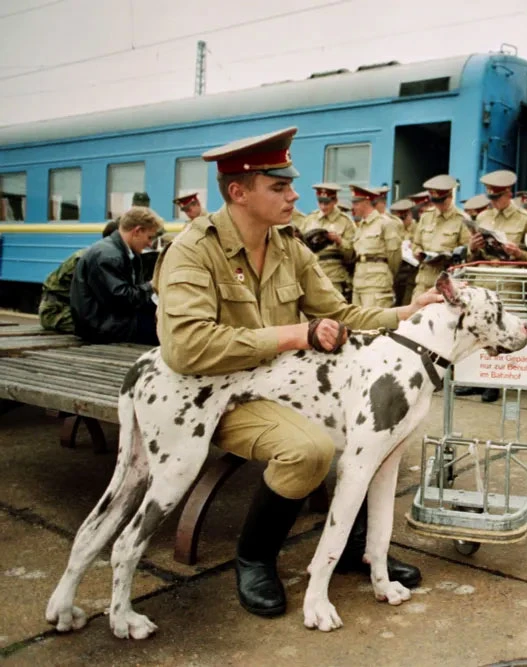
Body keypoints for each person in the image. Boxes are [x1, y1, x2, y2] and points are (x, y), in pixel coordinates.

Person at [153, 126, 440, 619]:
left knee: (373, 429)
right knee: (308, 451)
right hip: (215, 393)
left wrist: (406, 313)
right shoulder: (193, 250)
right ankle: (255, 557)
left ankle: (354, 548)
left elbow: (340, 312)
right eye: (279, 186)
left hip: (282, 387)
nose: (294, 196)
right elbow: (186, 347)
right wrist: (294, 335)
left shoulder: (288, 246)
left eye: (291, 185)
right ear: (239, 192)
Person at [465, 169, 527, 403]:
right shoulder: (484, 217)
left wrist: (518, 253)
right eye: (491, 198)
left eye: (497, 197)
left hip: (509, 281)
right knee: (481, 329)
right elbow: (472, 256)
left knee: (505, 330)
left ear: (508, 194)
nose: (494, 202)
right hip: (485, 280)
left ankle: (501, 382)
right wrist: (473, 248)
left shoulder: (526, 219)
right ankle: (482, 380)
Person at [69, 207, 162, 345]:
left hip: (110, 321)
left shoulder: (123, 252)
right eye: (149, 237)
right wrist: (153, 285)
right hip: (101, 326)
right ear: (137, 231)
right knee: (167, 333)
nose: (150, 243)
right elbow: (121, 299)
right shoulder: (107, 256)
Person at [39, 220, 119, 333]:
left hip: (72, 309)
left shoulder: (104, 255)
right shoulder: (91, 258)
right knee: (110, 328)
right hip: (57, 311)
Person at [411, 175, 470, 300]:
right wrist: (417, 252)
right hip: (423, 281)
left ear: (450, 196)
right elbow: (416, 243)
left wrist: (450, 257)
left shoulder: (461, 219)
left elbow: (468, 252)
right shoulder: (426, 217)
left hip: (446, 283)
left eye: (441, 201)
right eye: (435, 201)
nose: (438, 205)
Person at [301, 183, 356, 301]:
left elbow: (352, 255)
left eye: (327, 203)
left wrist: (339, 241)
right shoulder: (310, 219)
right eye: (320, 202)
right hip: (312, 273)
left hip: (334, 276)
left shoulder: (345, 221)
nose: (323, 207)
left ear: (335, 201)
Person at [350, 185, 402, 307]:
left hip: (377, 282)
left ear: (367, 202)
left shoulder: (386, 223)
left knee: (375, 318)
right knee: (357, 318)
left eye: (356, 203)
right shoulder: (361, 226)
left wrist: (386, 274)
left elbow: (395, 257)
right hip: (359, 282)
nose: (353, 207)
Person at [391, 198, 419, 306]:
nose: (400, 221)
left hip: (412, 273)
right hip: (397, 273)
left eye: (403, 218)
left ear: (409, 214)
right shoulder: (394, 228)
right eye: (397, 218)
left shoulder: (417, 228)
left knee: (407, 304)